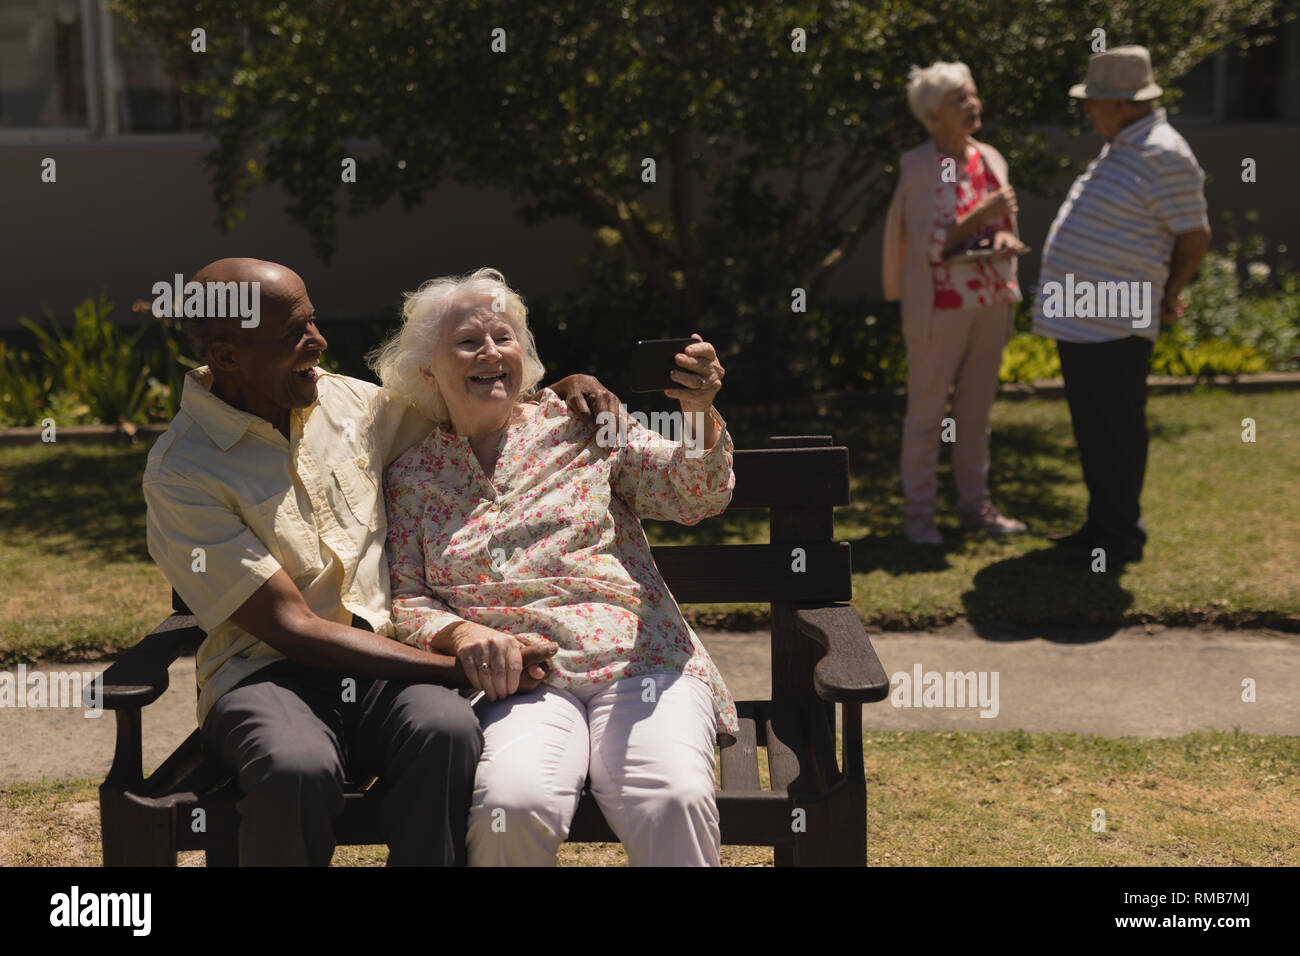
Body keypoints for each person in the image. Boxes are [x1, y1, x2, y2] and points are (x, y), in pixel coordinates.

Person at [142, 257, 616, 865]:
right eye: (294, 335)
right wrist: (457, 671)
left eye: (313, 322)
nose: (318, 343)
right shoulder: (184, 469)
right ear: (227, 356)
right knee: (295, 766)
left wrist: (556, 387)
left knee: (445, 731)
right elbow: (292, 630)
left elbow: (472, 400)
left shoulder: (351, 406)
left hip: (387, 672)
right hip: (267, 676)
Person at [373, 267, 737, 866]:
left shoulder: (584, 424)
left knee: (672, 797)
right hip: (521, 681)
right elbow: (408, 596)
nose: (491, 352)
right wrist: (466, 634)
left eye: (504, 337)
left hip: (639, 665)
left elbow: (693, 495)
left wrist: (697, 409)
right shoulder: (413, 477)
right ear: (427, 372)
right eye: (469, 342)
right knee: (511, 805)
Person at [1034, 47, 1211, 565]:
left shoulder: (1165, 151)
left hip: (1116, 315)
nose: (1087, 110)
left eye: (1092, 101)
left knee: (1116, 426)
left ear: (1119, 103)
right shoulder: (1125, 144)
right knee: (1094, 428)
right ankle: (1102, 524)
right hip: (1085, 314)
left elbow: (1194, 235)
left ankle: (1121, 535)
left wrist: (1168, 292)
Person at [883, 61, 1029, 546]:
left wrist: (1004, 235)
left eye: (973, 95)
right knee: (927, 414)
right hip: (940, 306)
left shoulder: (989, 156)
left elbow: (1002, 223)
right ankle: (919, 517)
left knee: (976, 411)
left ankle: (975, 508)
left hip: (991, 298)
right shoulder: (919, 165)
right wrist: (978, 218)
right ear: (932, 114)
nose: (972, 105)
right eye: (959, 100)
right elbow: (928, 245)